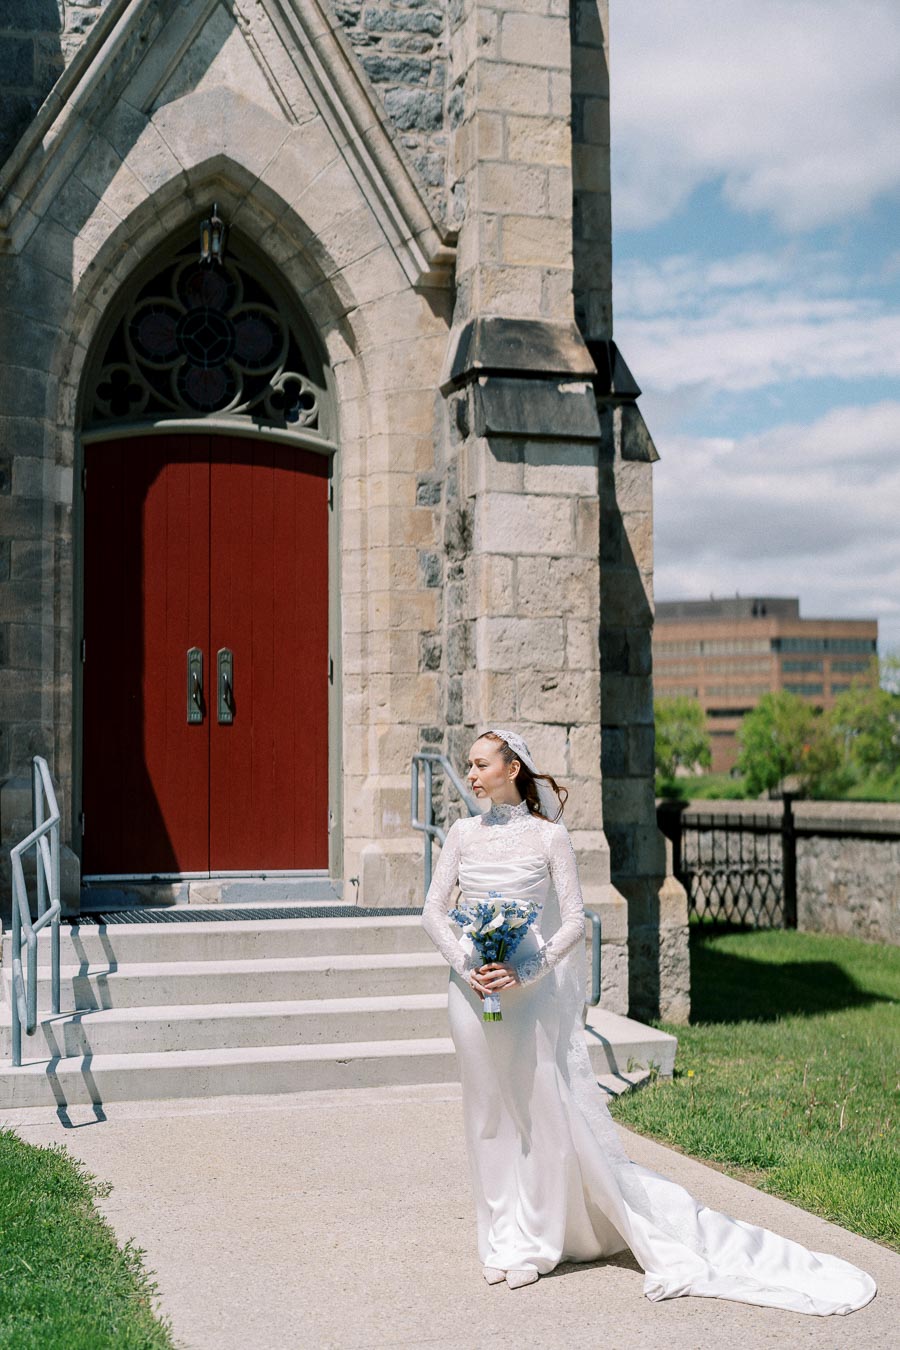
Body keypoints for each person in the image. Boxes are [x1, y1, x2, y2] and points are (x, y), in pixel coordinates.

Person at [421, 727, 877, 1311]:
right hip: (471, 989)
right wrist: (468, 960)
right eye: (470, 765)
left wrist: (525, 970)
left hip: (526, 991)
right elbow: (434, 910)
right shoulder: (460, 833)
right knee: (485, 1113)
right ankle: (498, 1235)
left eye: (481, 764)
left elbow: (574, 922)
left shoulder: (549, 836)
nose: (472, 775)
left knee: (538, 1114)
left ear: (513, 769)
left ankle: (534, 1240)